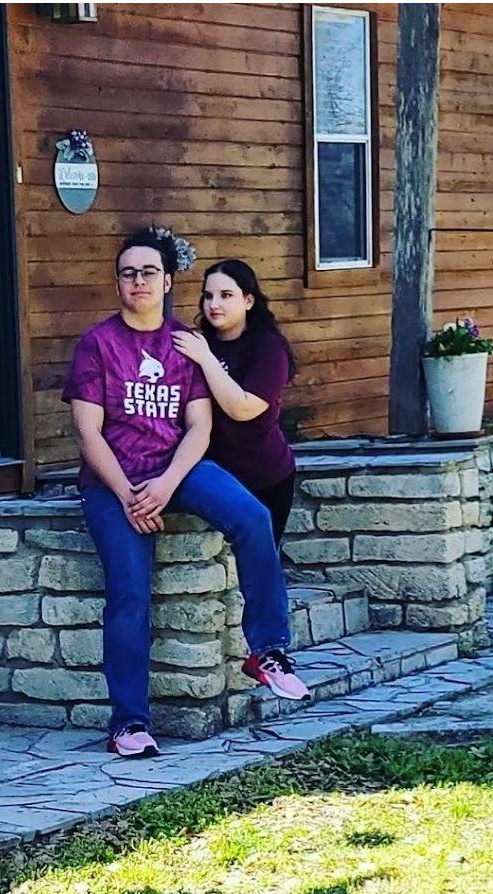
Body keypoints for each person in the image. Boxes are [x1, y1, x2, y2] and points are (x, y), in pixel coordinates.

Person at [62, 227, 309, 760]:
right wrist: (129, 494)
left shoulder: (183, 345)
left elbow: (198, 427)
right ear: (118, 283)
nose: (138, 281)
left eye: (149, 271)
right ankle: (129, 723)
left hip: (176, 469)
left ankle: (268, 650)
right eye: (128, 273)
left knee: (252, 515)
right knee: (129, 592)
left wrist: (168, 483)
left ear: (168, 280)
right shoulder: (97, 345)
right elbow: (87, 433)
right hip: (114, 482)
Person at [172, 259, 298, 545]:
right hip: (212, 478)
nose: (214, 304)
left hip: (264, 477)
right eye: (207, 296)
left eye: (226, 295)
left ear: (248, 300)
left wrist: (205, 358)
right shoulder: (199, 343)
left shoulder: (268, 348)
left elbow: (242, 408)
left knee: (258, 568)